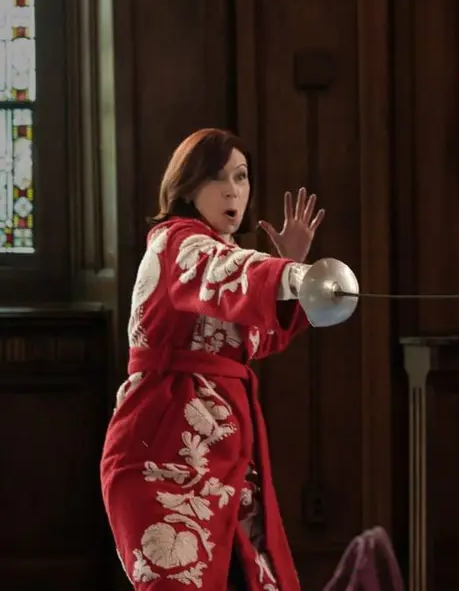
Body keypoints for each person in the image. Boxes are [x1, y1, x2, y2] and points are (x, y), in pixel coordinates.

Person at [100, 128, 326, 590]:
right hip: (163, 453)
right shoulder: (177, 241)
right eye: (216, 178)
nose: (232, 190)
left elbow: (254, 340)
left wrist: (290, 272)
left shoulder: (225, 253)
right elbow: (224, 270)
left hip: (225, 461)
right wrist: (292, 275)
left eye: (241, 177)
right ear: (186, 187)